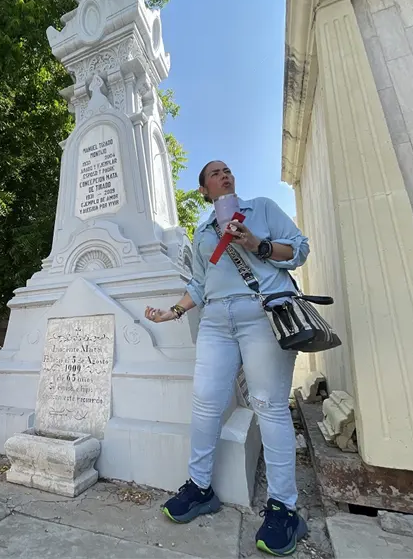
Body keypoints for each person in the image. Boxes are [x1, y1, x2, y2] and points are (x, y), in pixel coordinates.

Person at [145, 160, 310, 557]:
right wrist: (175, 311)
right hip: (216, 321)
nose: (226, 175)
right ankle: (200, 488)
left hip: (261, 312)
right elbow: (199, 284)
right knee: (204, 403)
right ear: (204, 190)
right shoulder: (202, 231)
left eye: (228, 170)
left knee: (268, 405)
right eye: (216, 173)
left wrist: (257, 244)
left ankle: (284, 508)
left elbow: (299, 250)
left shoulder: (262, 208)